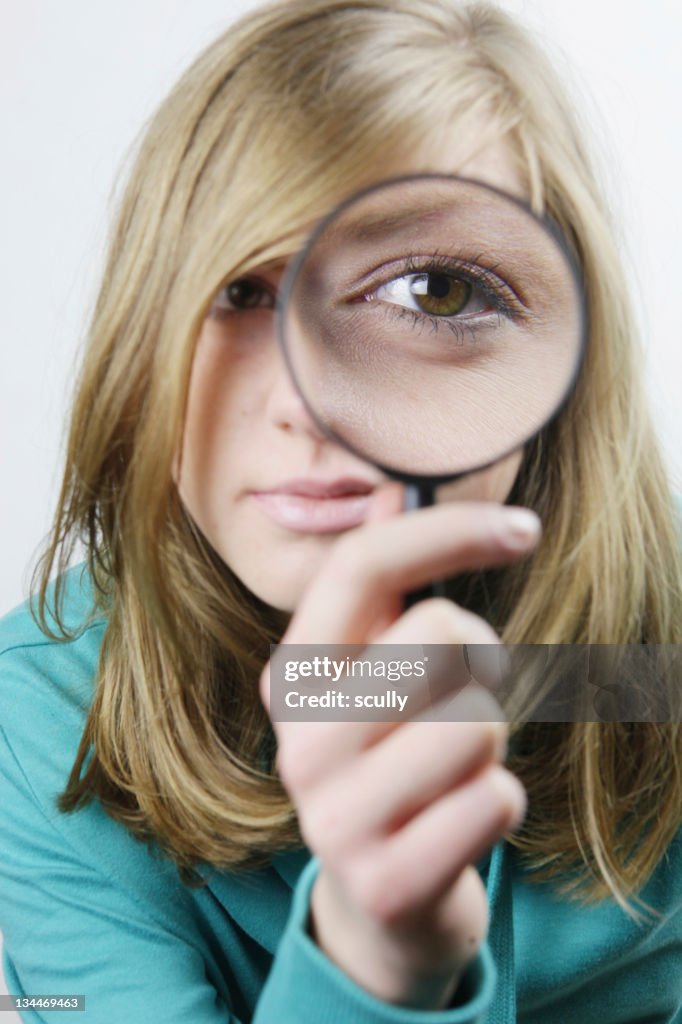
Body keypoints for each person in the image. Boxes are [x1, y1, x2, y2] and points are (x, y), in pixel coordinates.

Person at [1, 0, 680, 1021]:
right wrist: (371, 959)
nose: (304, 399)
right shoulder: (48, 719)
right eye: (237, 289)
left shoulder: (653, 675)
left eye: (435, 292)